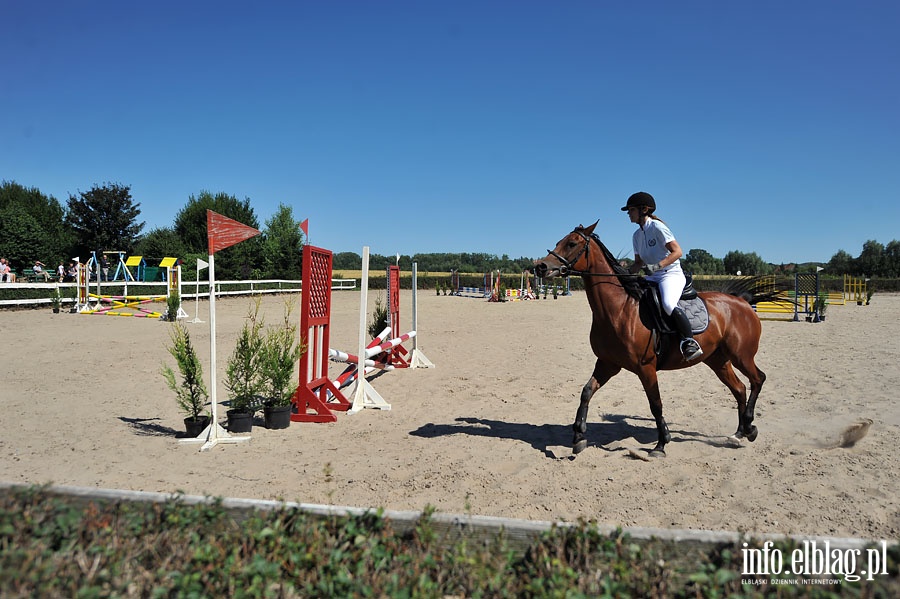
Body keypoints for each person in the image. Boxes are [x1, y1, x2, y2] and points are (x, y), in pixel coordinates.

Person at [622, 191, 703, 361]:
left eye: (631, 210)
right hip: (652, 277)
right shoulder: (636, 235)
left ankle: (689, 341)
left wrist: (657, 266)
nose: (629, 213)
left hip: (670, 275)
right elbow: (638, 263)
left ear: (643, 209)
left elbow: (678, 251)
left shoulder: (657, 227)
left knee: (667, 304)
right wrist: (624, 273)